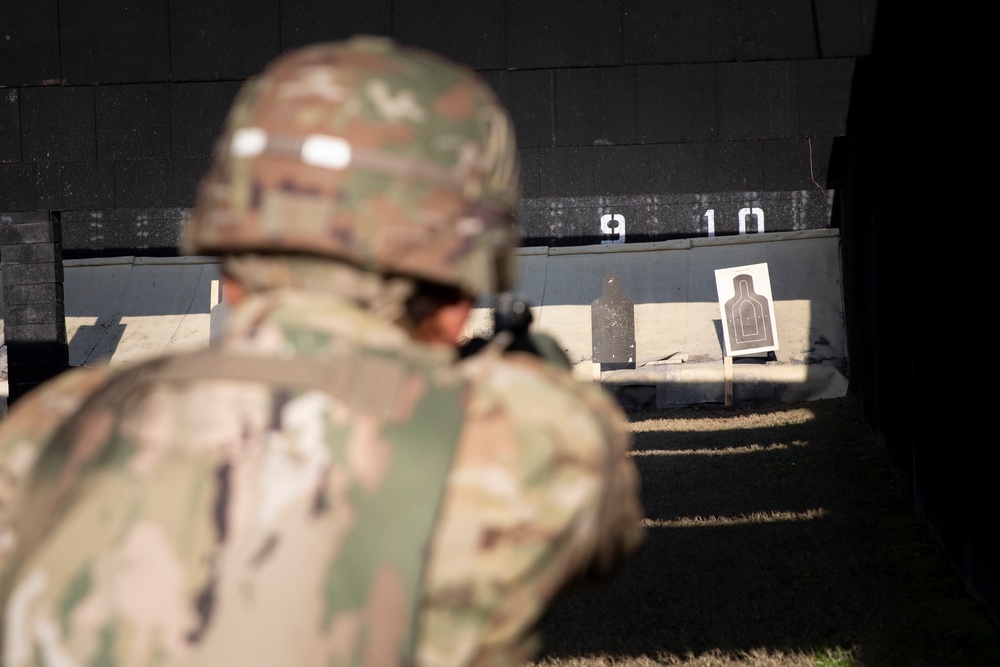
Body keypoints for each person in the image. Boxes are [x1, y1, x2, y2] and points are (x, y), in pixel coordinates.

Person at [0, 36, 645, 666]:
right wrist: (530, 373)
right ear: (455, 302)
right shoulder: (521, 439)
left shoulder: (42, 432)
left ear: (229, 264)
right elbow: (609, 532)